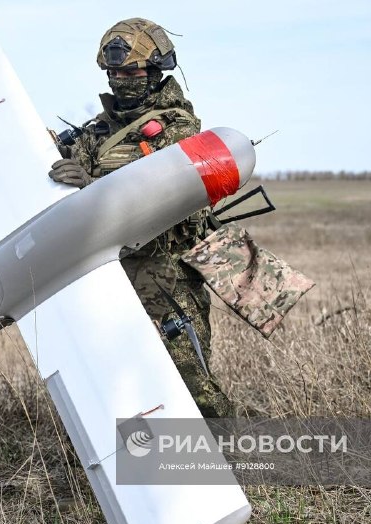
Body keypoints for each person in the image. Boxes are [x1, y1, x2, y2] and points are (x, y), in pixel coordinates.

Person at [48, 18, 233, 417]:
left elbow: (159, 198)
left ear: (155, 72)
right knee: (120, 388)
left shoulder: (178, 128)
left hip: (167, 281)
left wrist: (90, 186)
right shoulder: (96, 132)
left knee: (192, 388)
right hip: (109, 277)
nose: (121, 81)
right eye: (114, 74)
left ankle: (225, 456)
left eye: (131, 73)